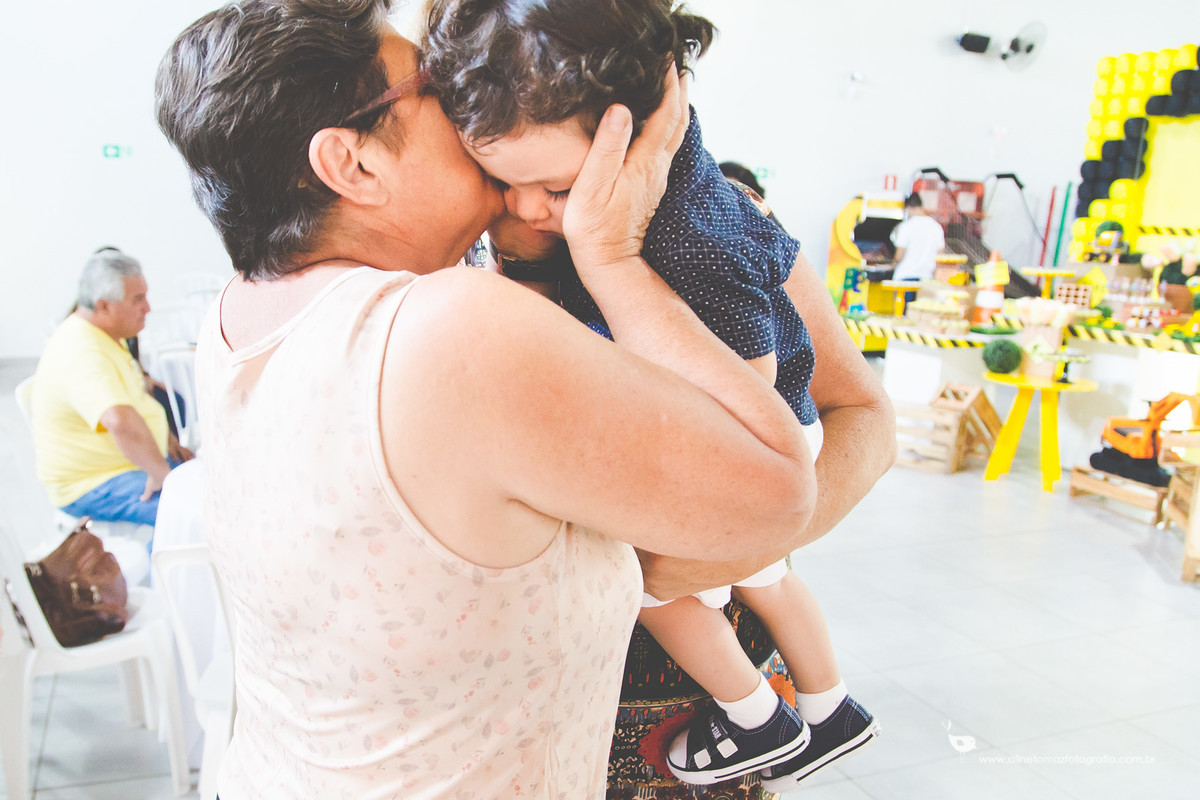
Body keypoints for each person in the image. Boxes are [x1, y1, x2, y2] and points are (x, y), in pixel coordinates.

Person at [155, 1, 837, 797]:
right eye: (432, 87)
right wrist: (613, 257)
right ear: (352, 163)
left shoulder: (238, 315)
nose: (468, 103)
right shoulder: (446, 329)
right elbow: (777, 493)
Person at [423, 0, 887, 791]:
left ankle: (774, 715)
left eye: (554, 185)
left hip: (681, 680)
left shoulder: (701, 228)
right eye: (499, 180)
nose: (526, 206)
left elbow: (846, 416)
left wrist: (731, 542)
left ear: (633, 134)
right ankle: (813, 707)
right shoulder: (450, 239)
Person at [30, 249, 193, 527]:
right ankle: (162, 555)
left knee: (213, 489)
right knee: (184, 514)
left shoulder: (106, 334)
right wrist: (161, 474)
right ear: (103, 306)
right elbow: (119, 421)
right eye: (138, 299)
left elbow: (135, 397)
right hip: (94, 481)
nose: (148, 308)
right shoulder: (82, 350)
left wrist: (165, 438)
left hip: (124, 463)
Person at [891, 192, 946, 296]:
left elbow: (899, 256)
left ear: (908, 207)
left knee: (903, 307)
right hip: (926, 279)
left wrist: (892, 263)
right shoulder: (936, 227)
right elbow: (941, 257)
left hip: (904, 278)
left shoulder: (905, 227)